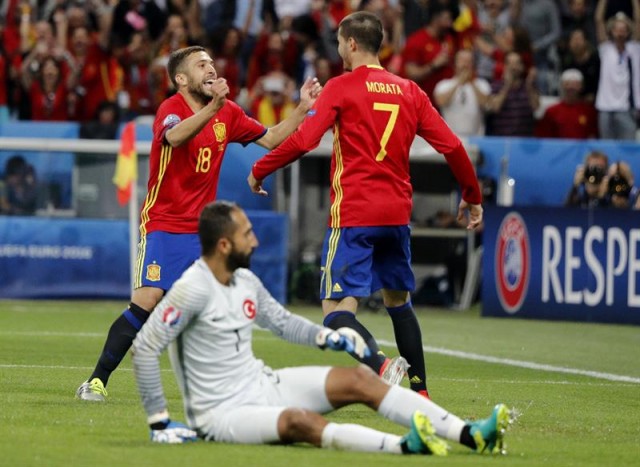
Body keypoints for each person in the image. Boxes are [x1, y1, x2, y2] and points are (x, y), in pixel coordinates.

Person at [131, 200, 512, 455]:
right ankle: (404, 448)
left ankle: (472, 434)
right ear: (225, 245)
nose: (256, 240)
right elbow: (146, 346)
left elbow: (282, 323)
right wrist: (158, 421)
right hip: (220, 415)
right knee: (299, 421)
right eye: (248, 234)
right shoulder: (192, 289)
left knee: (361, 380)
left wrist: (327, 336)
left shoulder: (244, 281)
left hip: (262, 385)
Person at [248, 12, 483, 399]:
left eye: (340, 42)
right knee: (398, 301)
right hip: (396, 216)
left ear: (352, 44)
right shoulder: (410, 91)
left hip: (355, 214)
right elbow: (453, 147)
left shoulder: (341, 87)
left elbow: (306, 140)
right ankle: (421, 394)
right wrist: (471, 196)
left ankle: (381, 365)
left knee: (335, 311)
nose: (338, 49)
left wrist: (260, 168)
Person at [75, 45, 322, 401]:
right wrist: (214, 108)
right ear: (181, 79)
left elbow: (269, 139)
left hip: (202, 231)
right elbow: (175, 138)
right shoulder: (171, 110)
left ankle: (232, 389)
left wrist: (301, 108)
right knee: (146, 300)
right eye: (200, 64)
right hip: (162, 222)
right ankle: (96, 381)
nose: (210, 68)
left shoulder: (228, 113)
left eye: (211, 62)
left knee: (219, 309)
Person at [594, 0, 640, 140]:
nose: (620, 32)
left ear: (628, 31)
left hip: (626, 108)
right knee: (607, 148)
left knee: (627, 148)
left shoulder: (634, 49)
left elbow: (638, 20)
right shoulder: (606, 49)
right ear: (611, 31)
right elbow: (598, 19)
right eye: (617, 28)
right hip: (605, 107)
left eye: (623, 29)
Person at [433, 49, 491, 136]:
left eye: (469, 61)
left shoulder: (482, 84)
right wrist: (459, 82)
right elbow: (441, 102)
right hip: (451, 138)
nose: (465, 64)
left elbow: (485, 103)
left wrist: (471, 82)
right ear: (455, 64)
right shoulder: (443, 85)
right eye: (462, 61)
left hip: (476, 138)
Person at [535, 68, 598, 139]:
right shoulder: (551, 112)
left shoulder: (589, 111)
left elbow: (593, 137)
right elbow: (544, 137)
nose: (571, 87)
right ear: (562, 85)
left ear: (581, 86)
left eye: (575, 84)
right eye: (567, 84)